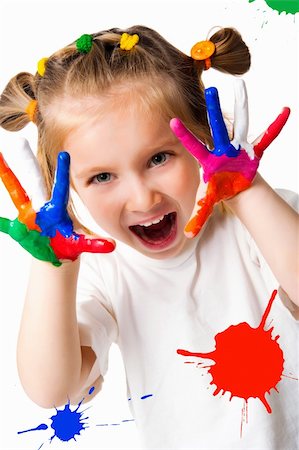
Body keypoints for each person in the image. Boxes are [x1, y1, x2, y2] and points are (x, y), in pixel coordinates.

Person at [0, 25, 298, 450]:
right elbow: (54, 392)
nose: (142, 197)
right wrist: (53, 267)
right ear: (68, 190)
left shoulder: (254, 223)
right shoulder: (105, 271)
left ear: (204, 136)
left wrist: (250, 193)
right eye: (102, 176)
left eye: (159, 157)